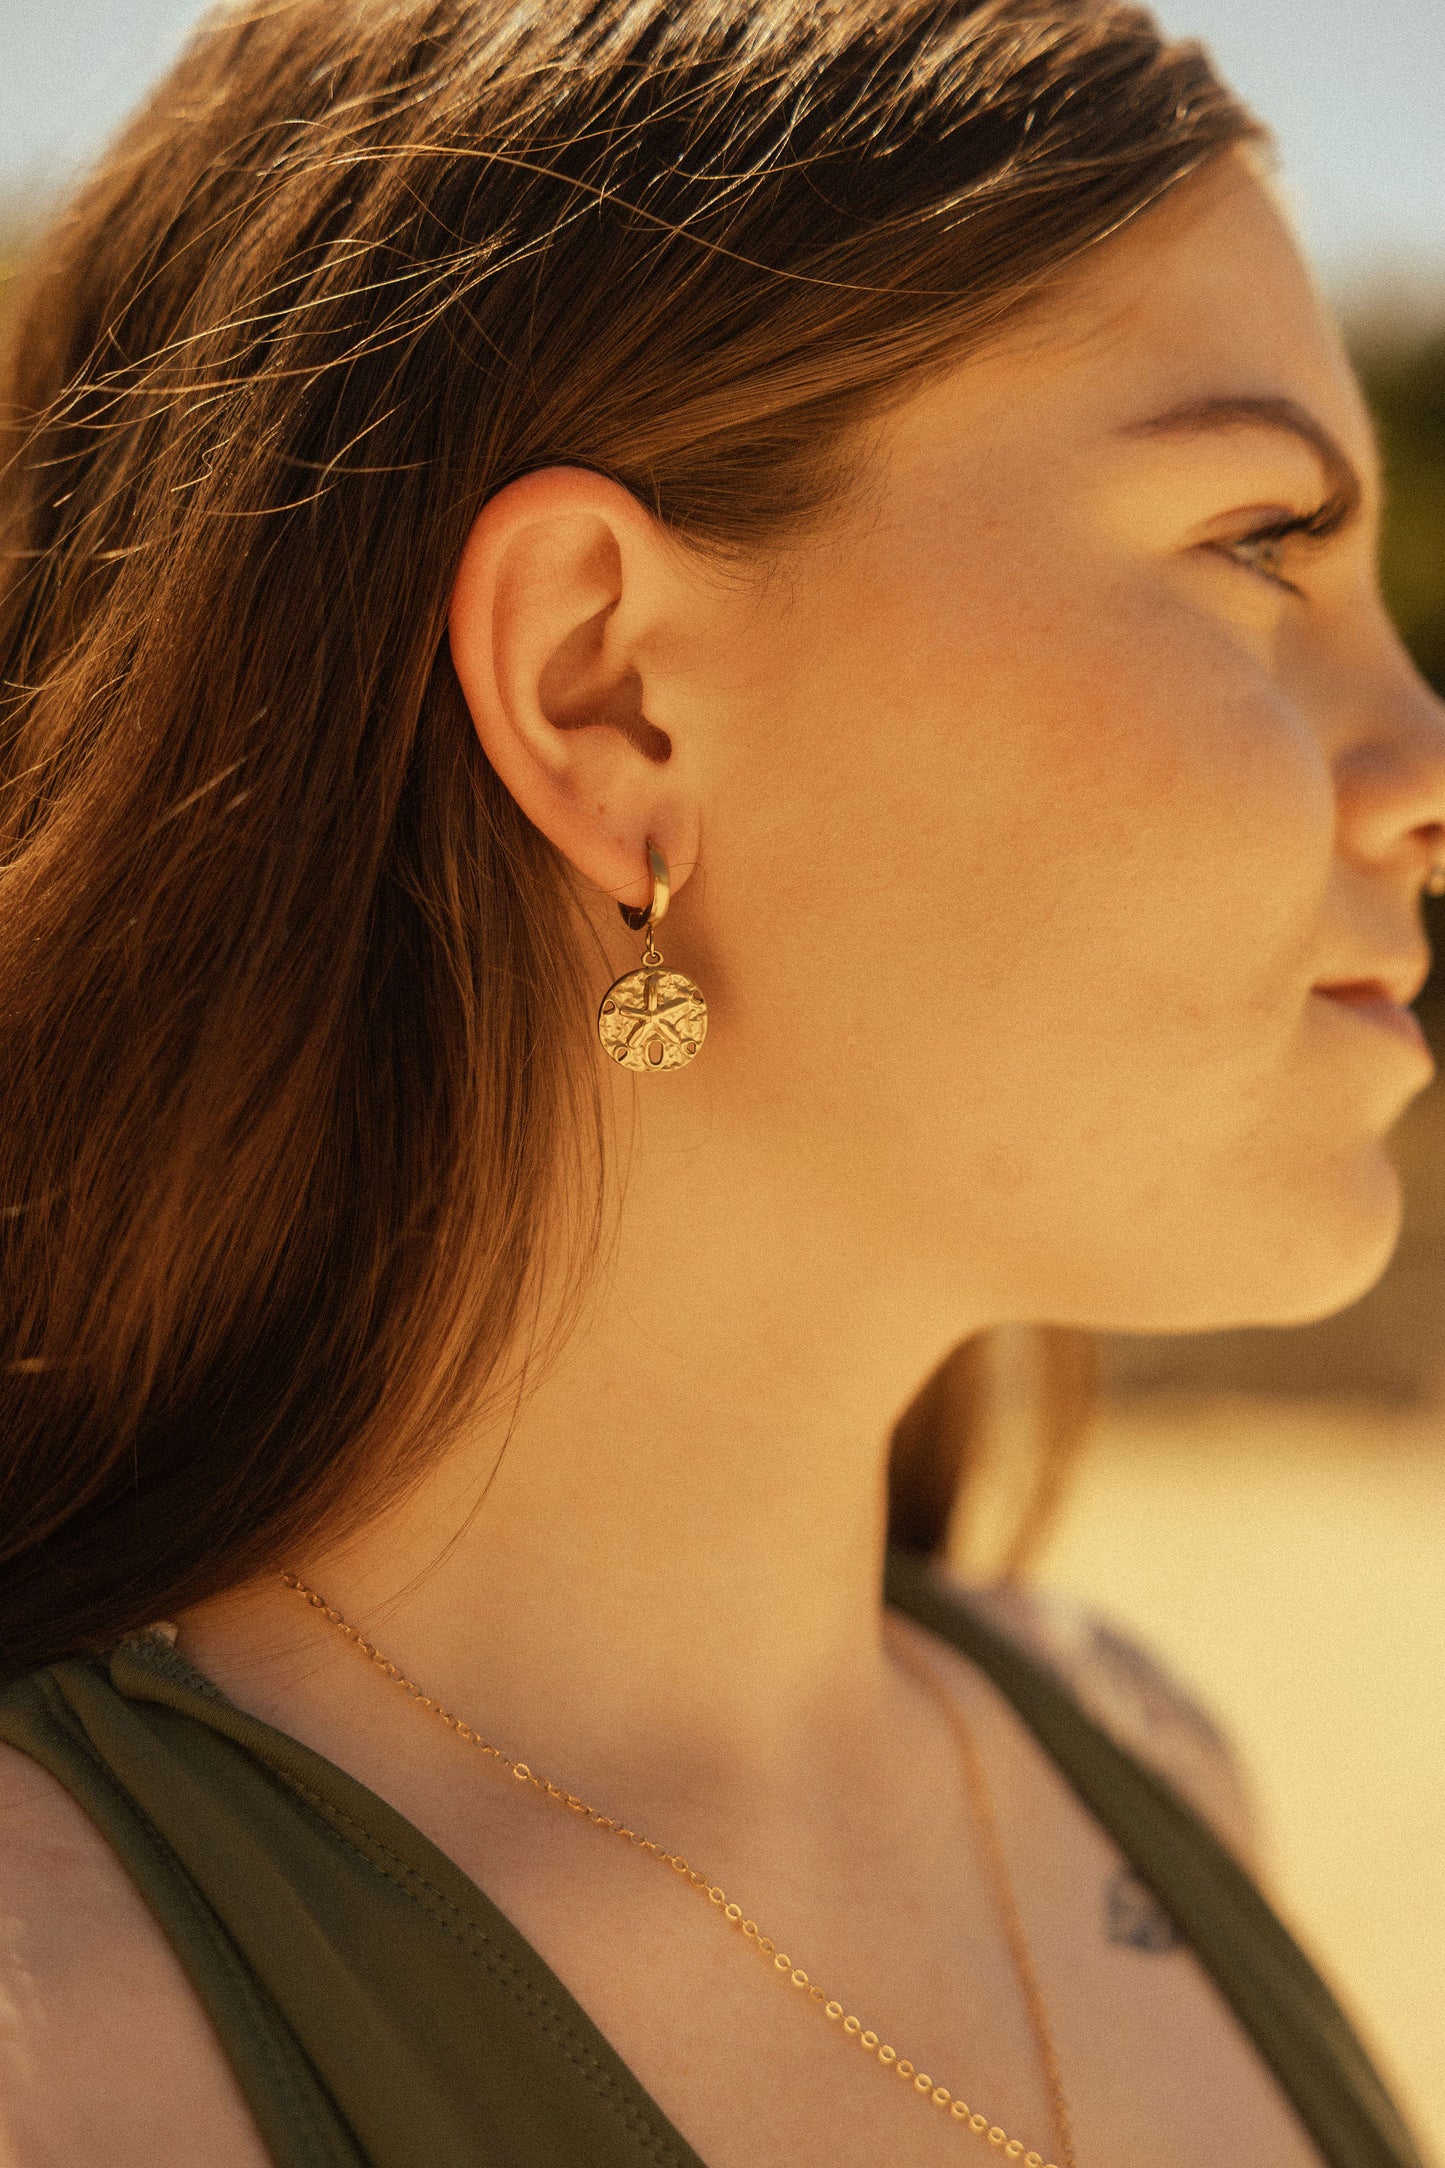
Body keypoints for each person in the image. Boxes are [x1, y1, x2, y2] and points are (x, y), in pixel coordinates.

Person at [0, 3, 1440, 2164]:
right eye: (1257, 546)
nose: (1422, 768)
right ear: (611, 692)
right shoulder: (64, 2029)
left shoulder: (1140, 1773)